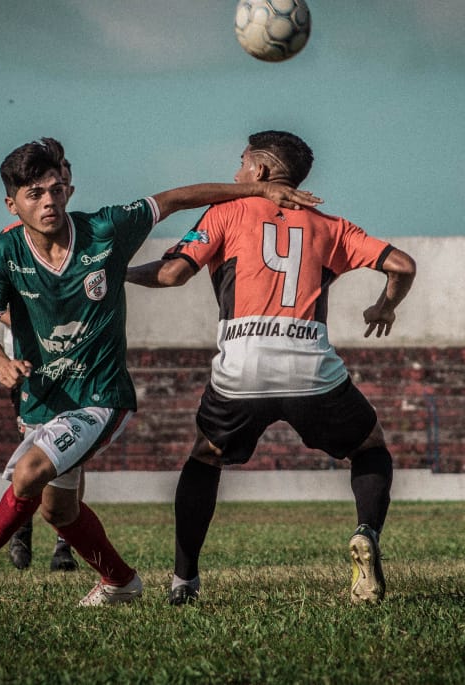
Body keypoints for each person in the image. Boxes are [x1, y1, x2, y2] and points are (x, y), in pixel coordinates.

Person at [0, 136, 321, 605]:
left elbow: (177, 199)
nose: (49, 201)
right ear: (12, 203)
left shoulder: (106, 228)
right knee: (59, 511)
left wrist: (258, 192)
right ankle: (120, 581)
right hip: (43, 398)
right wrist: (2, 363)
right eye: (34, 194)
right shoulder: (0, 255)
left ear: (69, 191)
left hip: (101, 395)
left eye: (56, 189)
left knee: (28, 474)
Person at [127, 130, 417, 605]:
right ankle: (366, 531)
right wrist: (385, 307)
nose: (236, 174)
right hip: (310, 365)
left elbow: (173, 273)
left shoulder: (226, 211)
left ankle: (184, 582)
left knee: (206, 456)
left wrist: (116, 272)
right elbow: (402, 265)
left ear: (260, 171)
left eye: (240, 164)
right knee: (369, 446)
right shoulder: (331, 225)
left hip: (242, 363)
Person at [0, 158, 79, 573]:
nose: (53, 195)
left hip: (78, 370)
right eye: (42, 188)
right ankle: (21, 532)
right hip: (30, 369)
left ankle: (64, 544)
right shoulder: (11, 243)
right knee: (31, 450)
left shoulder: (86, 241)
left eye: (61, 184)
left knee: (74, 454)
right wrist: (40, 326)